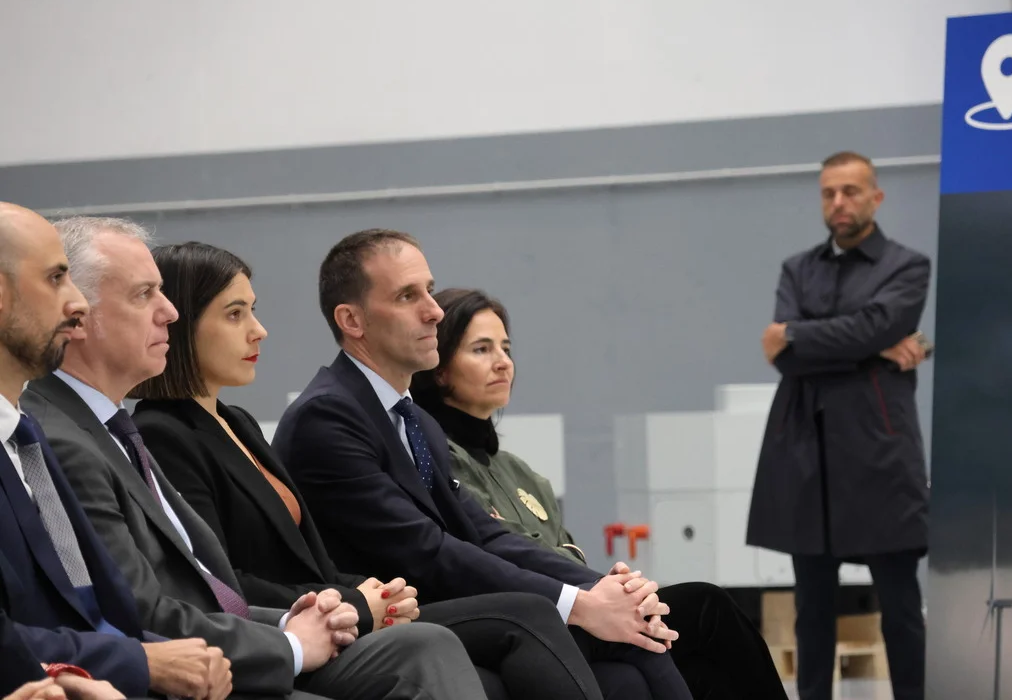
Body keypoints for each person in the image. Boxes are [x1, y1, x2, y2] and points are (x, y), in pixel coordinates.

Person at [23, 216, 486, 700]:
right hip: (181, 666)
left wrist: (302, 617)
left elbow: (210, 584)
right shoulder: (90, 437)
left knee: (432, 643)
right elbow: (141, 608)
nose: (169, 313)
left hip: (241, 634)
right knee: (452, 638)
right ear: (77, 315)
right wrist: (293, 640)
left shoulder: (123, 428)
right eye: (144, 295)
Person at [128, 241, 610, 700]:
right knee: (518, 617)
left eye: (253, 310)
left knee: (619, 648)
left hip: (332, 606)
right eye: (235, 314)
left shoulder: (238, 422)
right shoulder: (167, 433)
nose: (259, 330)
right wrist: (354, 600)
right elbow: (218, 582)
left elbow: (470, 529)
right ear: (181, 324)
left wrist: (599, 586)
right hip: (286, 627)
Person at [273, 229, 693, 700]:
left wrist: (603, 589)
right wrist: (580, 604)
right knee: (554, 620)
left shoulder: (413, 419)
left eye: (430, 290)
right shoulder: (327, 417)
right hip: (378, 615)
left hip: (446, 603)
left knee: (635, 652)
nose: (433, 311)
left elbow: (484, 533)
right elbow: (424, 548)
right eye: (408, 296)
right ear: (352, 320)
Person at [410, 287, 790, 700]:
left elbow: (567, 553)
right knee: (705, 607)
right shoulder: (435, 458)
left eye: (506, 348)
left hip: (581, 604)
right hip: (530, 615)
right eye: (481, 349)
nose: (503, 362)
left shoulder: (523, 472)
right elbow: (496, 555)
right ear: (440, 369)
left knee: (699, 672)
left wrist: (618, 589)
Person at [0, 202, 231, 700]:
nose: (77, 305)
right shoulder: (50, 436)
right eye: (56, 278)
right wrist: (142, 662)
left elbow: (91, 608)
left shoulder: (26, 435)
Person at [746, 151, 931, 700]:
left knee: (900, 604)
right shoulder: (797, 269)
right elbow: (785, 355)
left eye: (850, 191)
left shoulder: (907, 266)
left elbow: (873, 324)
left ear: (876, 197)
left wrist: (802, 336)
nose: (839, 202)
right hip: (808, 451)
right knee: (812, 608)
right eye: (829, 193)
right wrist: (873, 348)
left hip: (880, 454)